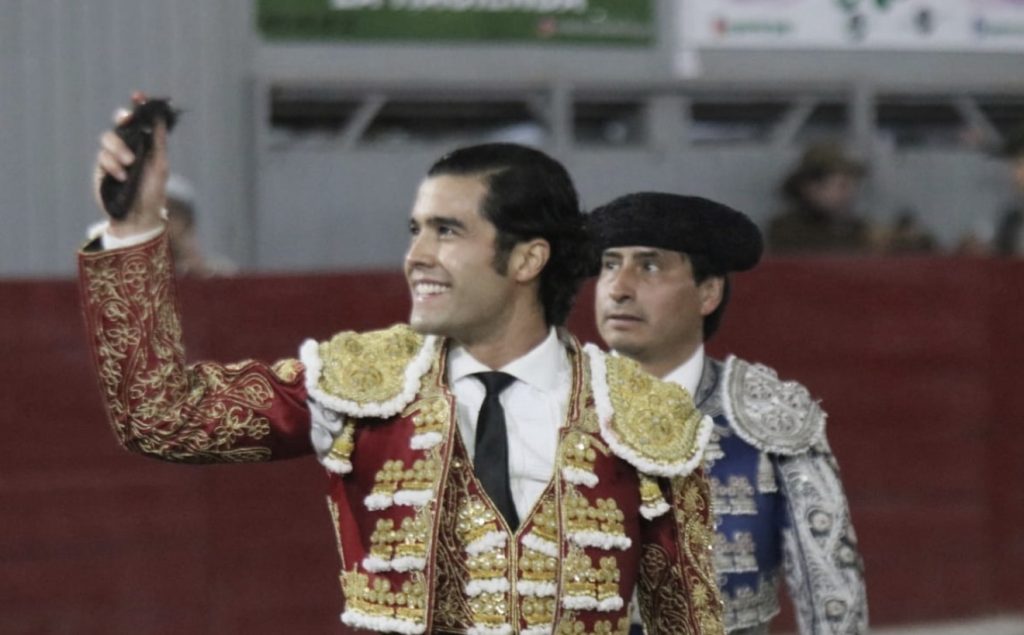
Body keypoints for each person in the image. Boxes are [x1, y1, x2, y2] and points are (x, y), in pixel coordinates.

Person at [81, 100, 725, 634]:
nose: (415, 255)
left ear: (528, 260)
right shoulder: (361, 383)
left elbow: (687, 624)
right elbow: (161, 417)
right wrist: (133, 229)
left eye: (447, 231)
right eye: (414, 229)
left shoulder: (644, 417)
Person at [589, 192, 867, 634]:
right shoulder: (547, 407)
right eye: (608, 264)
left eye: (649, 266)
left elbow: (831, 592)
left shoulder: (767, 416)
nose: (618, 287)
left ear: (708, 292)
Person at [768, 141, 876, 255]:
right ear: (810, 187)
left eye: (854, 184)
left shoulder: (858, 228)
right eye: (842, 185)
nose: (851, 193)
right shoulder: (787, 230)